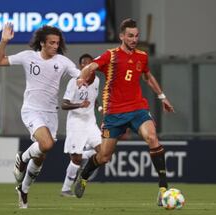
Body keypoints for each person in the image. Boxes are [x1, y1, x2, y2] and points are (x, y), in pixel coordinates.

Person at [74, 18, 175, 206]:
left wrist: (162, 97)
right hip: (114, 112)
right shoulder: (110, 55)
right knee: (104, 156)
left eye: (136, 36)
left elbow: (147, 76)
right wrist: (82, 77)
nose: (134, 39)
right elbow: (91, 66)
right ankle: (84, 175)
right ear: (121, 36)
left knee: (152, 138)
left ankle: (163, 190)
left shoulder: (142, 56)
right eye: (130, 36)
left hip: (138, 108)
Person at [0, 23, 81, 209]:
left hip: (51, 113)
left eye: (57, 43)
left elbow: (79, 76)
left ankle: (23, 190)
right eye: (51, 42)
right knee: (47, 144)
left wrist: (86, 76)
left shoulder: (62, 61)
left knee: (41, 154)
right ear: (42, 43)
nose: (55, 46)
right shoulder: (28, 57)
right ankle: (23, 158)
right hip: (32, 110)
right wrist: (4, 41)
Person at [60, 54, 101, 197]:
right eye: (83, 65)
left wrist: (100, 108)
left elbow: (93, 99)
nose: (86, 67)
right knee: (76, 159)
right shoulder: (74, 82)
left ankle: (83, 176)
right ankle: (65, 189)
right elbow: (64, 104)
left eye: (89, 64)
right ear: (80, 67)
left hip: (90, 122)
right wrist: (79, 104)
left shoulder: (97, 80)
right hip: (75, 122)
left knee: (103, 152)